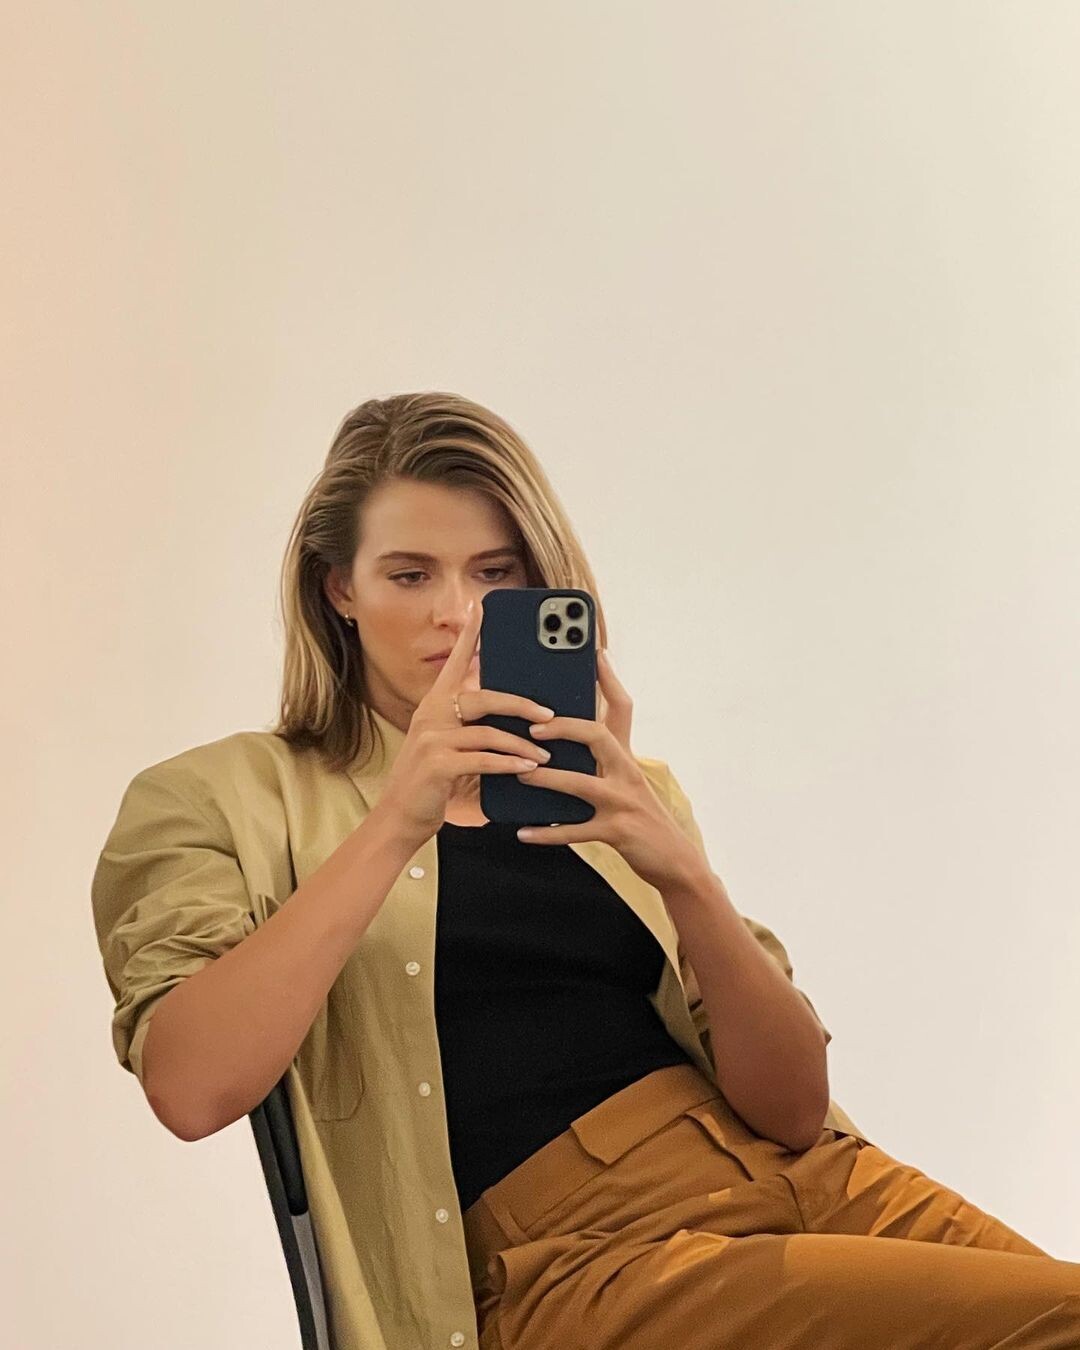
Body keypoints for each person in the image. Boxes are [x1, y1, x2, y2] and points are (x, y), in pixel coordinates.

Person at [92, 391, 1080, 1349]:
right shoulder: (218, 797)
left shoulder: (615, 786)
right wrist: (397, 820)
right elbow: (191, 1087)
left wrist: (683, 875)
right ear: (337, 589)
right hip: (578, 1257)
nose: (458, 615)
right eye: (410, 575)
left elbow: (794, 1109)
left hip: (818, 1182)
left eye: (495, 574)